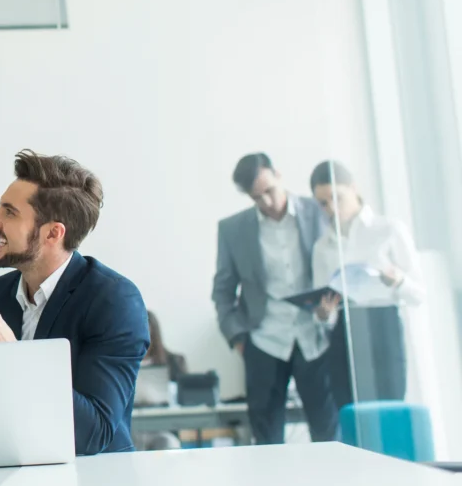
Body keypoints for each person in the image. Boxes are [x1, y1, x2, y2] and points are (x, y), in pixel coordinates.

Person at [0, 150, 149, 455]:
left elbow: (93, 433)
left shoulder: (114, 301)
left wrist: (11, 354)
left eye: (9, 212)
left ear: (53, 233)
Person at [211, 152, 338, 445]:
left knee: (328, 433)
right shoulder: (232, 229)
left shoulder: (317, 211)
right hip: (263, 341)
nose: (267, 202)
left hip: (315, 338)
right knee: (266, 439)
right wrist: (237, 338)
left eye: (269, 191)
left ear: (278, 175)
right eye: (257, 198)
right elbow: (223, 290)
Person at [309, 160, 425, 409]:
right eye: (323, 203)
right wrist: (323, 314)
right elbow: (321, 308)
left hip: (383, 324)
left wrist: (398, 281)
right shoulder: (322, 247)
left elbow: (419, 294)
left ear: (353, 188)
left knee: (389, 409)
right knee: (349, 409)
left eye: (336, 197)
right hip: (343, 329)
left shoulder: (389, 229)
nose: (331, 208)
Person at [133, 311, 187, 451]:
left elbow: (184, 400)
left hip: (163, 430)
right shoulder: (124, 364)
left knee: (168, 444)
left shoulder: (174, 362)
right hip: (132, 430)